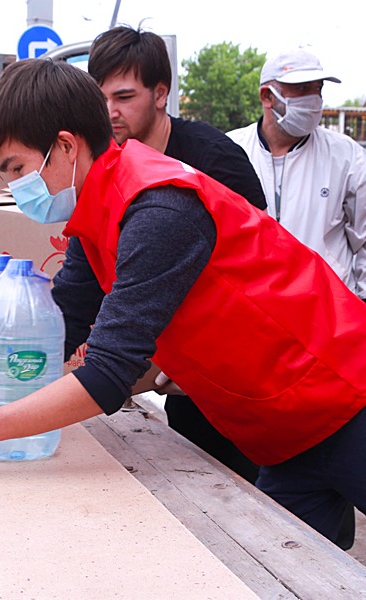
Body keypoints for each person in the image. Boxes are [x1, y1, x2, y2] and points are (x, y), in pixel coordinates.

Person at [0, 58, 366, 550]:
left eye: (17, 169)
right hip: (287, 430)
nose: (14, 188)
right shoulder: (98, 216)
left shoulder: (156, 207)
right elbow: (60, 326)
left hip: (345, 393)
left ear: (66, 146)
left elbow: (107, 375)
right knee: (297, 569)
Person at [82, 25, 265, 485]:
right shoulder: (109, 166)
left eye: (124, 97)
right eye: (100, 98)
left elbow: (261, 269)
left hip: (243, 370)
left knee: (267, 502)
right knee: (200, 485)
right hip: (176, 375)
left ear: (161, 93)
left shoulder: (214, 159)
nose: (110, 112)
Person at [228, 48, 366, 301]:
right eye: (302, 90)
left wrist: (360, 304)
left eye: (318, 90)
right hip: (256, 309)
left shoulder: (346, 155)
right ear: (267, 96)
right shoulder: (231, 150)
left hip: (329, 310)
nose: (314, 100)